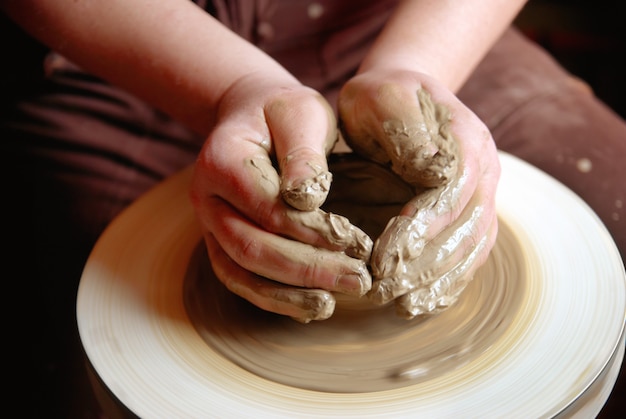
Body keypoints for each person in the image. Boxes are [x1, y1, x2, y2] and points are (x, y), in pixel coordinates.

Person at [2, 0, 624, 417]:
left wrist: (415, 65)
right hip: (126, 49)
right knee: (71, 356)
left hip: (411, 21)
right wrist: (231, 87)